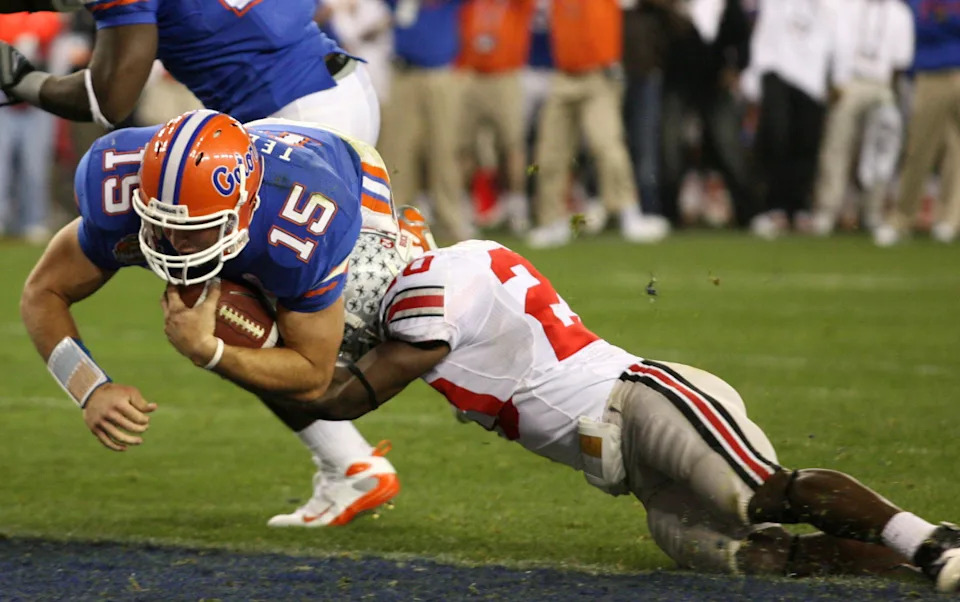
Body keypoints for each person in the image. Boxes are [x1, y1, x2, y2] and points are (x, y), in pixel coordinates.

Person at [264, 235, 959, 592]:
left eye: (341, 311)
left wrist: (223, 352)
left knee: (761, 492)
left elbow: (343, 397)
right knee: (761, 555)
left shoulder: (430, 290)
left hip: (642, 398)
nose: (342, 328)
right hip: (631, 472)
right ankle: (908, 569)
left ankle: (933, 543)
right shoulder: (445, 274)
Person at [19, 110, 406, 527]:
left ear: (242, 210)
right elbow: (43, 293)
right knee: (223, 317)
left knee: (368, 329)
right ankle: (352, 467)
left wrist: (210, 351)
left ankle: (426, 271)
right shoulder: (118, 186)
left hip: (347, 179)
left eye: (196, 229)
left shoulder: (302, 225)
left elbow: (313, 373)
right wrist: (90, 388)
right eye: (161, 223)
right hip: (259, 163)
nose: (177, 244)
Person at [0, 0, 380, 145]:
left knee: (249, 298)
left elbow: (108, 99)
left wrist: (25, 81)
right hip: (342, 86)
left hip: (293, 117)